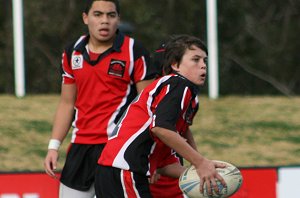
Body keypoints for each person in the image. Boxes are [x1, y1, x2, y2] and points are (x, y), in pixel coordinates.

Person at [43, 0, 156, 197]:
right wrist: (54, 146)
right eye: (98, 14)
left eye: (111, 15)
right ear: (85, 18)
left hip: (118, 149)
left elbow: (149, 108)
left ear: (118, 19)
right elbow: (67, 103)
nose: (105, 21)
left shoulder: (134, 51)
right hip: (80, 149)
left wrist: (152, 155)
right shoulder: (72, 52)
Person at [94, 34, 227, 198]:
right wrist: (200, 162)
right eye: (195, 59)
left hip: (114, 170)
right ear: (175, 64)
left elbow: (165, 164)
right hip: (125, 170)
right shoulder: (178, 84)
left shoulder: (175, 92)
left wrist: (203, 173)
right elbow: (161, 128)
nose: (203, 66)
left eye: (204, 61)